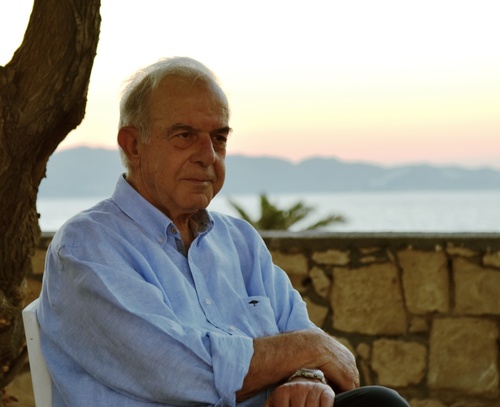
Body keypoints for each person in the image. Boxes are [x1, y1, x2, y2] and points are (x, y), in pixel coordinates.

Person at [37, 57, 409, 407]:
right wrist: (310, 349)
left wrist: (307, 376)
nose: (208, 156)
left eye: (219, 138)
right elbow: (177, 370)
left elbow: (303, 337)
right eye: (185, 135)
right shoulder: (88, 246)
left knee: (376, 403)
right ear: (134, 145)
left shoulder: (240, 242)